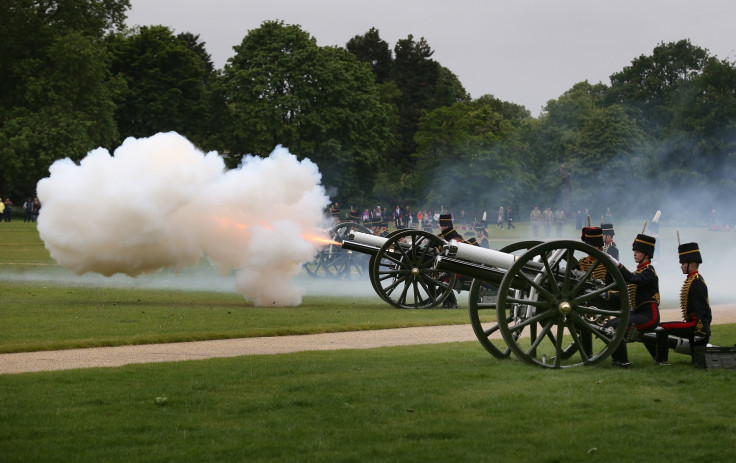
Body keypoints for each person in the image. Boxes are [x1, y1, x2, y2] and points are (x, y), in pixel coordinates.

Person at [604, 233, 660, 368]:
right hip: (638, 314)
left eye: (638, 251)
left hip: (649, 316)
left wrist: (617, 264)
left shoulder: (649, 272)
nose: (635, 253)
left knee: (614, 327)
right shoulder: (639, 271)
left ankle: (622, 362)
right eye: (634, 250)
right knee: (608, 324)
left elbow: (633, 279)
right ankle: (617, 360)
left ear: (647, 254)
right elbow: (621, 283)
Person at [653, 242, 712, 365]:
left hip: (696, 327)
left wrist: (700, 331)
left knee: (661, 328)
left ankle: (661, 361)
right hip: (694, 325)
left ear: (693, 264)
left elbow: (703, 310)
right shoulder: (692, 280)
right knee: (697, 363)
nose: (681, 266)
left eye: (684, 263)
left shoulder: (696, 282)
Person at [438, 213, 463, 308]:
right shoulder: (442, 236)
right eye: (442, 225)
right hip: (447, 267)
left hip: (457, 268)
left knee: (442, 279)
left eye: (445, 225)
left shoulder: (456, 238)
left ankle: (452, 303)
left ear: (449, 225)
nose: (443, 227)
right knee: (440, 278)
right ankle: (447, 302)